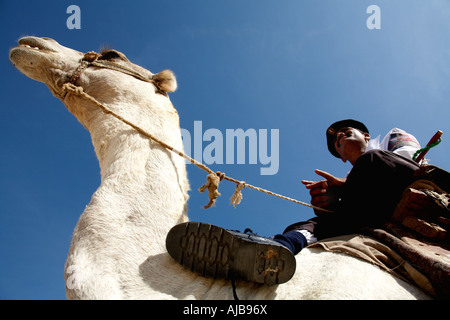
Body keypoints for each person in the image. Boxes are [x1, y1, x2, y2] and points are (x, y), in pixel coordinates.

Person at [166, 119, 423, 286]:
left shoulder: (390, 138)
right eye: (337, 142)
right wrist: (326, 203)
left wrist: (345, 186)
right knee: (313, 222)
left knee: (372, 161)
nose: (340, 137)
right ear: (342, 157)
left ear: (365, 135)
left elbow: (410, 160)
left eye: (347, 132)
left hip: (408, 188)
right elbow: (344, 210)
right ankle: (275, 249)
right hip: (373, 215)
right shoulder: (347, 177)